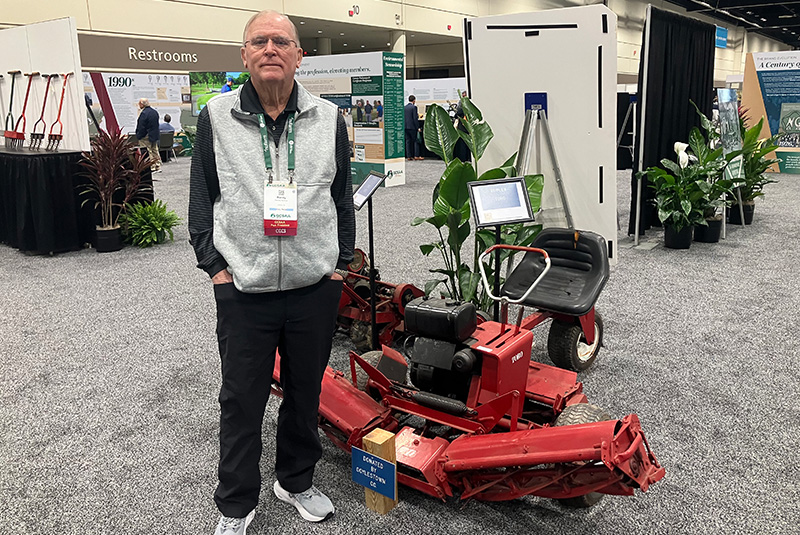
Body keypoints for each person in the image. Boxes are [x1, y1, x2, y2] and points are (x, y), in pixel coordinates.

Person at [188, 10, 354, 535]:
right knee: (242, 399)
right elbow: (202, 198)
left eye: (281, 41)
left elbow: (341, 198)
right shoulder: (216, 118)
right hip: (243, 289)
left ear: (299, 55)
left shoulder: (329, 119)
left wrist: (339, 267)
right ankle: (236, 504)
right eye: (258, 40)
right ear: (244, 55)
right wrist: (215, 269)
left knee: (305, 394)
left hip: (313, 288)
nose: (270, 48)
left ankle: (295, 481)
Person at [135, 98, 161, 172]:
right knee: (155, 150)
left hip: (146, 136)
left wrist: (139, 135)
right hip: (154, 135)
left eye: (139, 103)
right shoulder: (154, 112)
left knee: (148, 151)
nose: (139, 105)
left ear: (142, 104)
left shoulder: (144, 114)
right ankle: (158, 165)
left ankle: (152, 166)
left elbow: (141, 126)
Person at [404, 95, 421, 160]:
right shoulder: (414, 107)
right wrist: (418, 127)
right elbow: (415, 118)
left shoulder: (405, 107)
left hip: (406, 127)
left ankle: (409, 156)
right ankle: (416, 155)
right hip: (412, 127)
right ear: (414, 100)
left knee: (408, 141)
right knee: (416, 141)